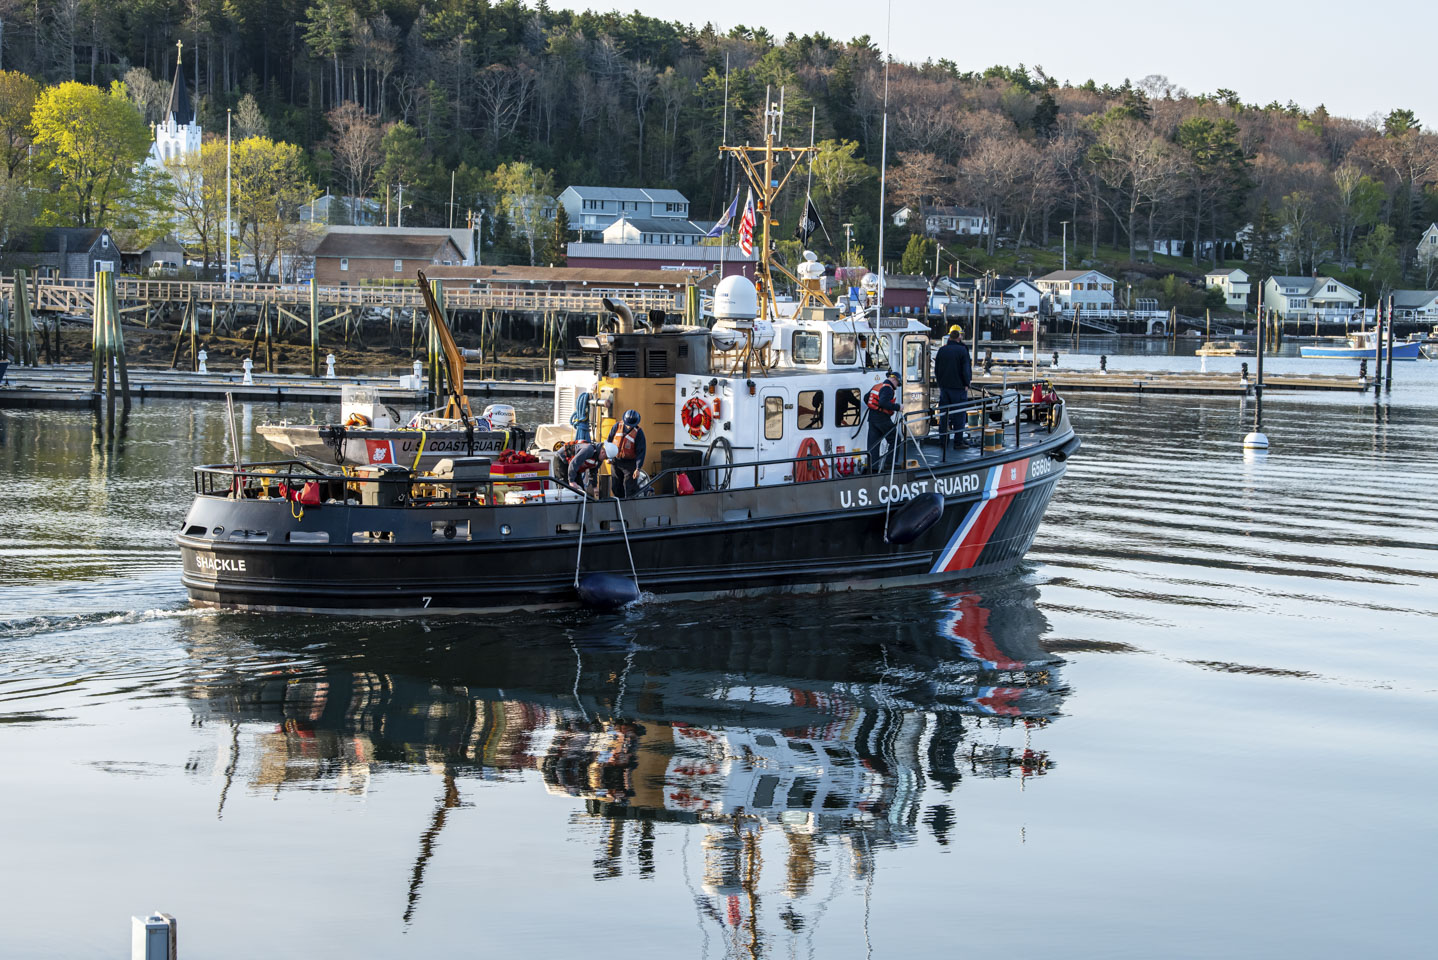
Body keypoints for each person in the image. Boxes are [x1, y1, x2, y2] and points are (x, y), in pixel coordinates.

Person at [934, 324, 973, 446]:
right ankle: (958, 441)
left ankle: (943, 441)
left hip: (945, 388)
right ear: (959, 336)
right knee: (959, 415)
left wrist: (940, 384)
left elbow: (936, 370)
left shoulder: (942, 350)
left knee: (944, 415)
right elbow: (965, 370)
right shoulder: (962, 350)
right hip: (959, 389)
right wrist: (967, 383)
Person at [865, 370, 903, 474]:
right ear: (894, 379)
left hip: (872, 418)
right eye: (897, 384)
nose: (897, 386)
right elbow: (883, 402)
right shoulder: (888, 389)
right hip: (882, 419)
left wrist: (875, 408)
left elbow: (866, 398)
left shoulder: (877, 386)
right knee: (895, 439)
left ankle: (873, 467)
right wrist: (897, 407)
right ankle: (890, 464)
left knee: (873, 444)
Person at [606, 409, 647, 498]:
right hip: (615, 461)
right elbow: (609, 441)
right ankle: (618, 504)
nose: (628, 427)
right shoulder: (617, 426)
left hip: (629, 464)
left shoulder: (639, 433)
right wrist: (609, 457)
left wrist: (638, 468)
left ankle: (629, 507)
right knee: (616, 486)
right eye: (627, 424)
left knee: (630, 488)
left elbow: (641, 451)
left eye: (631, 425)